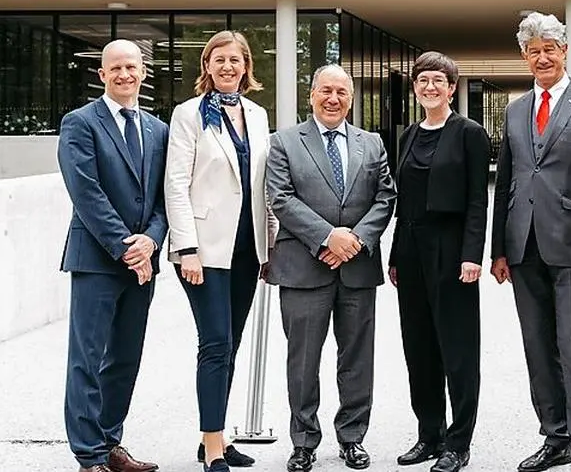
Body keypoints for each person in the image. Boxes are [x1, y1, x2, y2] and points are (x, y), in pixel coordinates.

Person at [490, 12, 571, 472]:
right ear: (525, 57)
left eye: (550, 48)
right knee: (538, 348)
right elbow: (506, 180)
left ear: (565, 51)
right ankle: (554, 438)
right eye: (533, 51)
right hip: (523, 247)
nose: (542, 57)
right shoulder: (515, 110)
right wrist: (498, 249)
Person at [265, 64, 397, 472]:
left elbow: (385, 197)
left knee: (357, 358)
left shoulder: (371, 143)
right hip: (304, 267)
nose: (333, 98)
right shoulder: (285, 141)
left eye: (342, 91)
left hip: (357, 268)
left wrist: (353, 241)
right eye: (326, 90)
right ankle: (303, 441)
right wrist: (327, 237)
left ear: (351, 98)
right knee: (302, 360)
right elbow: (281, 198)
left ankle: (352, 438)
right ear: (311, 95)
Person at [165, 30, 278, 472]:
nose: (228, 67)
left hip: (247, 248)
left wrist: (268, 247)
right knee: (214, 343)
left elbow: (262, 184)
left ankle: (214, 433)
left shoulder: (257, 113)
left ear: (247, 67)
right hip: (204, 249)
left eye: (236, 60)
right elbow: (175, 182)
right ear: (207, 67)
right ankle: (213, 445)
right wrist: (186, 247)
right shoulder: (188, 114)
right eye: (219, 60)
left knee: (230, 346)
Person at [57, 39, 169, 472]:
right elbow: (86, 192)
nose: (125, 74)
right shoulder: (80, 123)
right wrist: (128, 247)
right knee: (87, 357)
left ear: (143, 72)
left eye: (132, 67)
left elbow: (164, 196)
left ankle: (110, 442)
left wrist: (152, 241)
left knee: (125, 356)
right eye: (115, 68)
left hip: (143, 259)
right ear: (102, 75)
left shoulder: (157, 130)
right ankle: (88, 455)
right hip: (96, 260)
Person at [388, 52, 490, 472]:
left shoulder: (469, 133)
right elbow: (402, 200)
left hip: (451, 250)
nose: (430, 87)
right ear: (415, 88)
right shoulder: (408, 133)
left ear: (452, 88)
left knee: (458, 348)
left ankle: (458, 441)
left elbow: (476, 201)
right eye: (423, 80)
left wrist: (472, 255)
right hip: (411, 248)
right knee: (419, 345)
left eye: (439, 81)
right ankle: (429, 433)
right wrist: (395, 255)